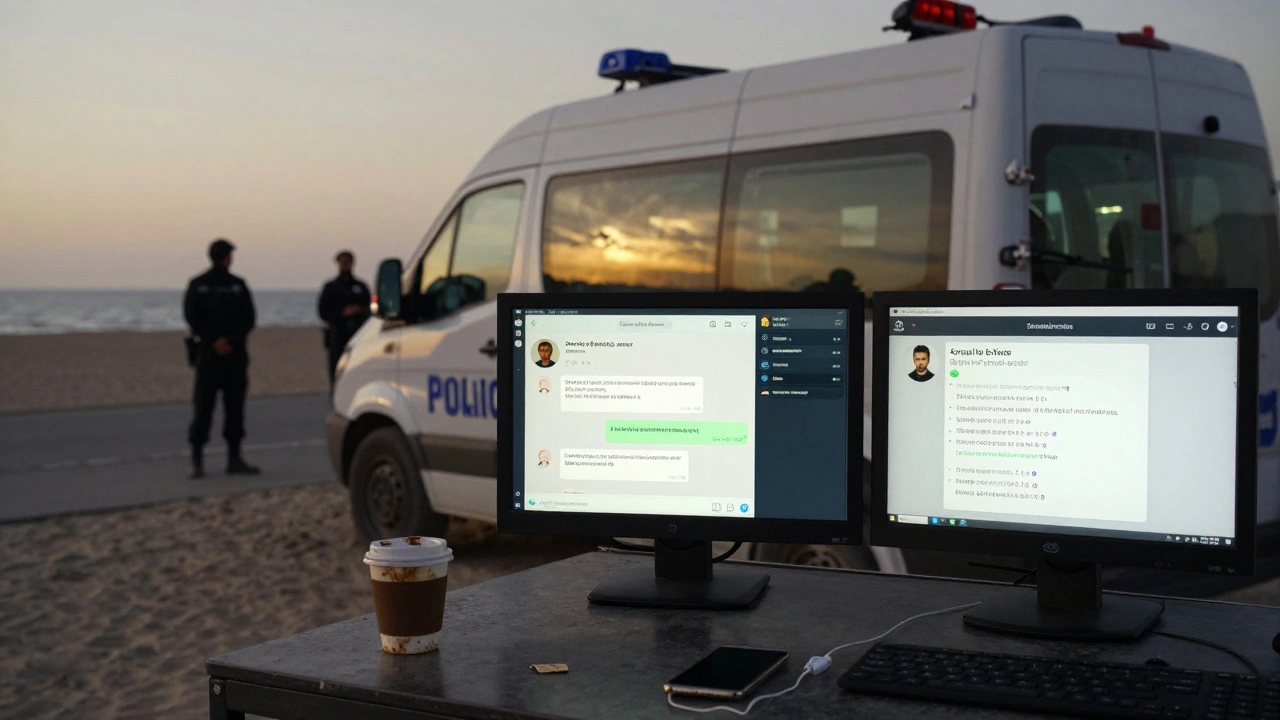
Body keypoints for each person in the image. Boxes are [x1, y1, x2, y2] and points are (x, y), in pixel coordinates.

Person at [184, 238, 260, 478]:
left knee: (222, 407)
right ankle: (213, 459)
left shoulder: (223, 285)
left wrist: (221, 341)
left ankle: (215, 460)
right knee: (215, 407)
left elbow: (247, 318)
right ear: (226, 257)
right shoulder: (212, 285)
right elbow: (193, 316)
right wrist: (220, 341)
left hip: (223, 353)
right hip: (217, 354)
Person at [317, 250, 372, 386]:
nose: (345, 265)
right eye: (342, 262)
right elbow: (323, 312)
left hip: (358, 336)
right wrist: (342, 314)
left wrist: (359, 310)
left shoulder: (361, 286)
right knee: (336, 373)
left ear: (352, 263)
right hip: (337, 335)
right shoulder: (330, 287)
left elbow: (370, 310)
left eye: (347, 262)